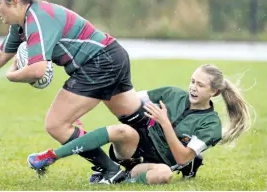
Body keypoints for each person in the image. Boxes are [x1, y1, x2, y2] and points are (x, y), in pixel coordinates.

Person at [0, 0, 153, 184]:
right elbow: (1, 54)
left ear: (14, 1)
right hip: (112, 54)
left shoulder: (36, 19)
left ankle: (110, 170)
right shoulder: (23, 23)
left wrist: (12, 76)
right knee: (135, 118)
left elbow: (38, 70)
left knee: (56, 124)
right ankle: (166, 155)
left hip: (98, 63)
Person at [27, 64, 252, 185]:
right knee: (123, 130)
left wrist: (164, 122)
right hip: (136, 146)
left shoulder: (211, 125)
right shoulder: (172, 94)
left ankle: (122, 178)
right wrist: (77, 111)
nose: (193, 87)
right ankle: (49, 157)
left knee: (164, 175)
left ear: (214, 92)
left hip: (159, 163)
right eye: (192, 81)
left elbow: (182, 158)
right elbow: (125, 98)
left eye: (200, 85)